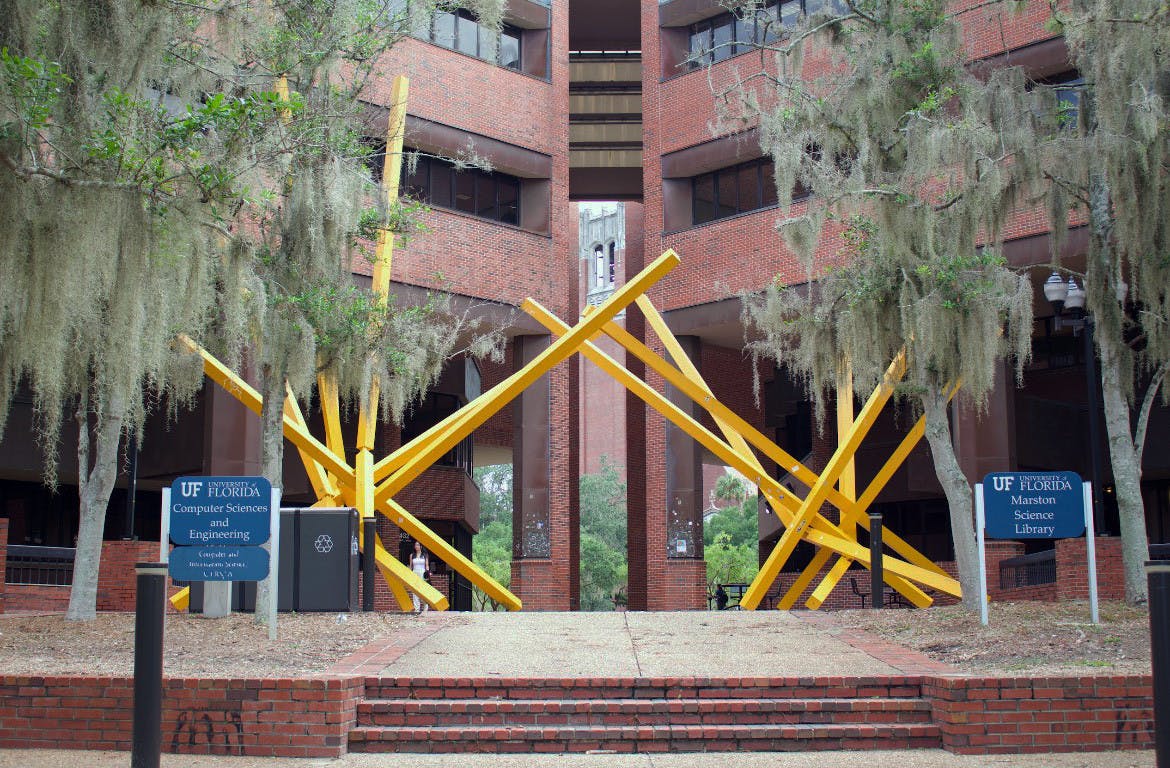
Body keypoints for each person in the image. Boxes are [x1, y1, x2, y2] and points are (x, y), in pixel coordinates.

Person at [407, 540, 430, 613]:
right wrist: (409, 574)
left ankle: (425, 607)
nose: (416, 546)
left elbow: (427, 565)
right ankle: (417, 609)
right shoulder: (412, 555)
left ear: (421, 546)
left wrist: (427, 573)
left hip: (422, 573)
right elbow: (411, 566)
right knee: (415, 591)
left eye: (418, 545)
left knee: (423, 591)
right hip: (415, 573)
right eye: (415, 545)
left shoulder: (425, 555)